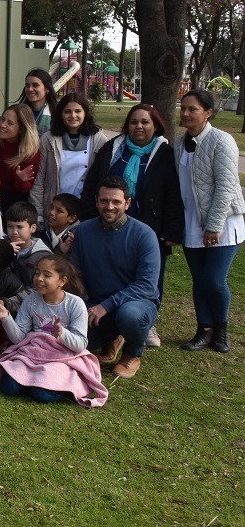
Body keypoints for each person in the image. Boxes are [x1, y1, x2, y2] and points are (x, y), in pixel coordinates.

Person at [81, 102, 182, 348]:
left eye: (145, 122)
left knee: (148, 277)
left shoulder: (164, 154)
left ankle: (144, 321)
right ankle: (112, 323)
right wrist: (86, 219)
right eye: (134, 122)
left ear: (155, 125)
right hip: (110, 220)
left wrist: (171, 229)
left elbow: (173, 193)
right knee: (111, 271)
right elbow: (93, 183)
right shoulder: (112, 149)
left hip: (150, 226)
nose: (139, 126)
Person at [0, 255, 107, 407]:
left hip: (62, 357)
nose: (39, 278)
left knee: (41, 394)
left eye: (47, 275)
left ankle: (57, 386)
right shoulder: (31, 300)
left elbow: (80, 344)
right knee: (9, 387)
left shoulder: (75, 304)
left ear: (62, 281)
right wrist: (6, 317)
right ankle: (34, 380)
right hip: (33, 353)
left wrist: (62, 334)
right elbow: (18, 339)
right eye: (37, 273)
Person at [62, 176, 161, 378]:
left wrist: (107, 305)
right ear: (96, 201)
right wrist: (79, 308)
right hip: (96, 305)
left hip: (136, 303)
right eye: (104, 201)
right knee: (70, 345)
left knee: (129, 316)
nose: (109, 207)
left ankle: (133, 353)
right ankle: (112, 337)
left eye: (116, 201)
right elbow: (75, 277)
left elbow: (147, 285)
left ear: (127, 203)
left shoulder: (144, 235)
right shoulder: (83, 232)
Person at [173, 90, 244, 353]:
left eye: (192, 109)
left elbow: (226, 186)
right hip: (192, 222)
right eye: (183, 108)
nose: (186, 113)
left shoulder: (221, 140)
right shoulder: (180, 143)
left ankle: (221, 329)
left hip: (222, 224)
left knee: (214, 280)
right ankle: (203, 330)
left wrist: (214, 225)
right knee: (198, 279)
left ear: (208, 113)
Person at [31, 94, 107, 227]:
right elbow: (40, 179)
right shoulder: (48, 139)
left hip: (86, 210)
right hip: (55, 210)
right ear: (60, 114)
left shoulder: (98, 140)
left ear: (86, 113)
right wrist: (38, 214)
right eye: (67, 111)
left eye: (78, 111)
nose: (73, 116)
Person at [0, 103, 40, 212]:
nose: (2, 125)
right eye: (2, 119)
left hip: (12, 200)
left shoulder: (31, 152)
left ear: (21, 128)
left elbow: (26, 189)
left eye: (10, 123)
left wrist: (20, 180)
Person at [3, 201, 51, 288]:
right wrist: (2, 250)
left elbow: (38, 288)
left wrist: (12, 301)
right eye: (10, 226)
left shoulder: (42, 255)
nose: (14, 232)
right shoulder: (1, 244)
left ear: (33, 228)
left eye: (19, 227)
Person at [19, 69, 57, 136]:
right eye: (27, 85)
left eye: (35, 85)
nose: (30, 89)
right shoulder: (19, 113)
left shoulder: (57, 114)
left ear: (47, 89)